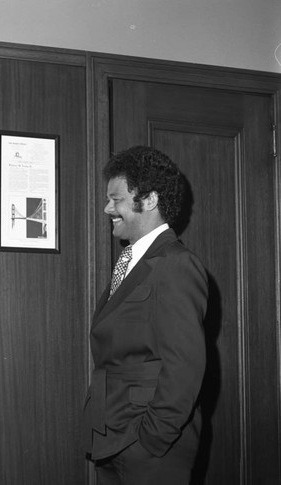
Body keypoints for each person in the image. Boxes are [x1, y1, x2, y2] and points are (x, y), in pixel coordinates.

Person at [83, 146, 208, 484]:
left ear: (149, 199)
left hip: (148, 450)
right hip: (111, 438)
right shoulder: (132, 261)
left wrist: (150, 439)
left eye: (116, 199)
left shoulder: (177, 265)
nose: (108, 208)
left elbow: (184, 366)